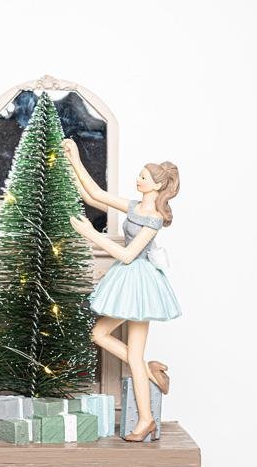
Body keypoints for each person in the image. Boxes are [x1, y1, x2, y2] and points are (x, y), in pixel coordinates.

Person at [62, 138, 181, 442]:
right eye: (139, 175)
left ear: (156, 186)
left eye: (143, 177)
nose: (137, 179)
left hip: (140, 282)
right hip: (127, 279)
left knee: (118, 344)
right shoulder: (133, 206)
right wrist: (74, 159)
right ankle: (149, 371)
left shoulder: (154, 218)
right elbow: (94, 194)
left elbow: (128, 255)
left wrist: (91, 233)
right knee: (103, 337)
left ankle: (146, 419)